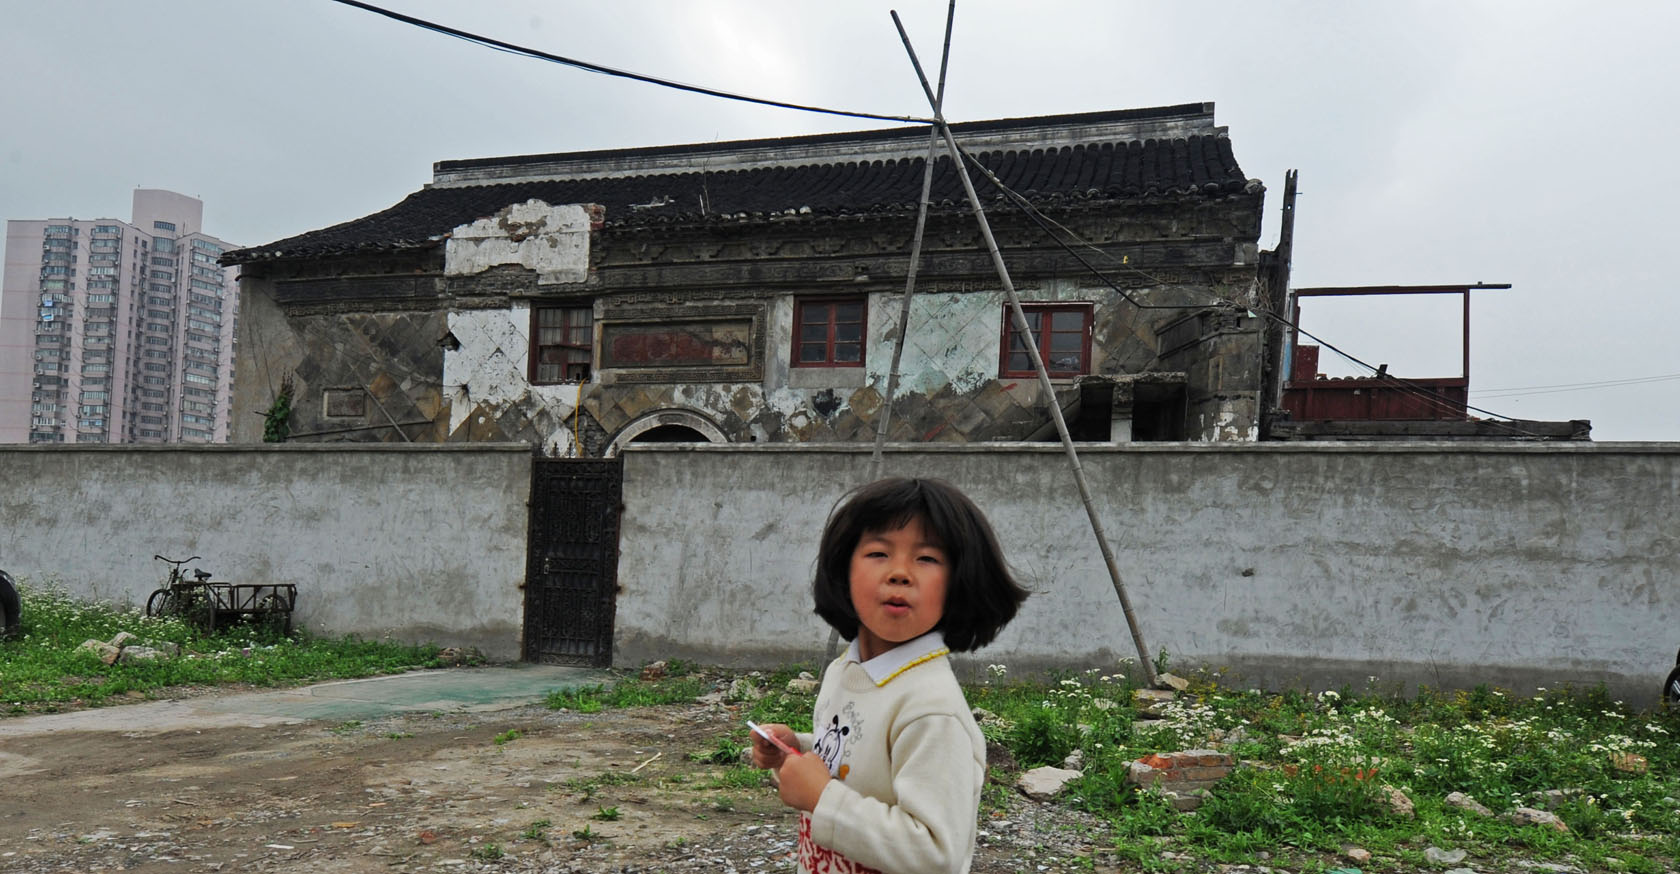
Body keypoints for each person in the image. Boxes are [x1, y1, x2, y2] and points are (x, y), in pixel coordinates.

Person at [750, 477, 1029, 874]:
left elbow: (936, 854)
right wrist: (796, 749)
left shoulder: (932, 712)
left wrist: (823, 799)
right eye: (879, 553)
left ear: (959, 583)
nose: (900, 573)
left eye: (927, 558)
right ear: (844, 569)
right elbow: (861, 758)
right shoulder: (844, 671)